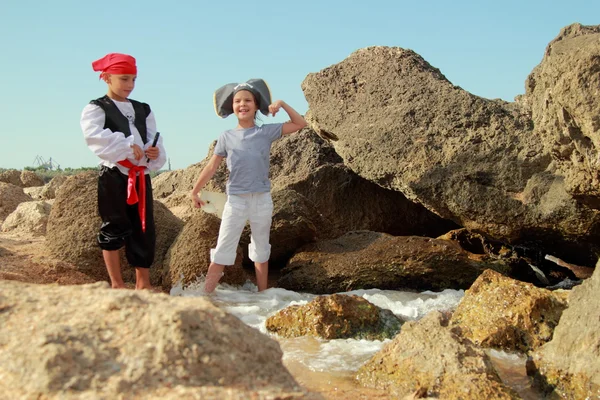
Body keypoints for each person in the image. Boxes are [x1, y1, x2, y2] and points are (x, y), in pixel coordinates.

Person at [191, 79, 307, 293]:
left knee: (261, 249)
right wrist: (195, 190)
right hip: (236, 200)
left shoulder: (265, 132)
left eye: (247, 100)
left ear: (256, 105)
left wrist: (281, 104)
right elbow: (211, 166)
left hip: (262, 199)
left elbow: (300, 123)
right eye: (237, 101)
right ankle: (206, 297)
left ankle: (262, 297)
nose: (242, 104)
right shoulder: (226, 136)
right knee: (223, 248)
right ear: (232, 106)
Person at [80, 53, 166, 290]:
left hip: (140, 177)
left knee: (143, 228)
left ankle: (143, 283)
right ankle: (116, 284)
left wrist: (154, 152)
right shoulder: (97, 108)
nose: (130, 85)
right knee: (113, 225)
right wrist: (127, 146)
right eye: (124, 79)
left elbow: (152, 138)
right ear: (107, 77)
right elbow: (94, 137)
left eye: (134, 80)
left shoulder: (143, 109)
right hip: (114, 176)